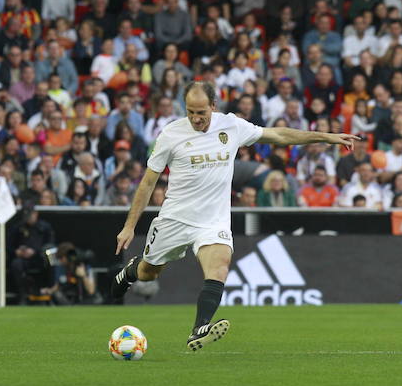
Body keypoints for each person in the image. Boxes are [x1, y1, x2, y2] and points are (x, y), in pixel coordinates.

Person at [111, 81, 359, 350]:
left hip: (213, 221)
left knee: (219, 266)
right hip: (176, 218)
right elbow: (148, 183)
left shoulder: (231, 125)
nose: (196, 118)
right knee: (149, 272)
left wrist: (326, 136)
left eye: (201, 112)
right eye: (190, 112)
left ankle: (199, 328)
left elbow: (278, 136)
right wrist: (129, 227)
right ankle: (130, 272)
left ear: (213, 107)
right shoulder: (171, 135)